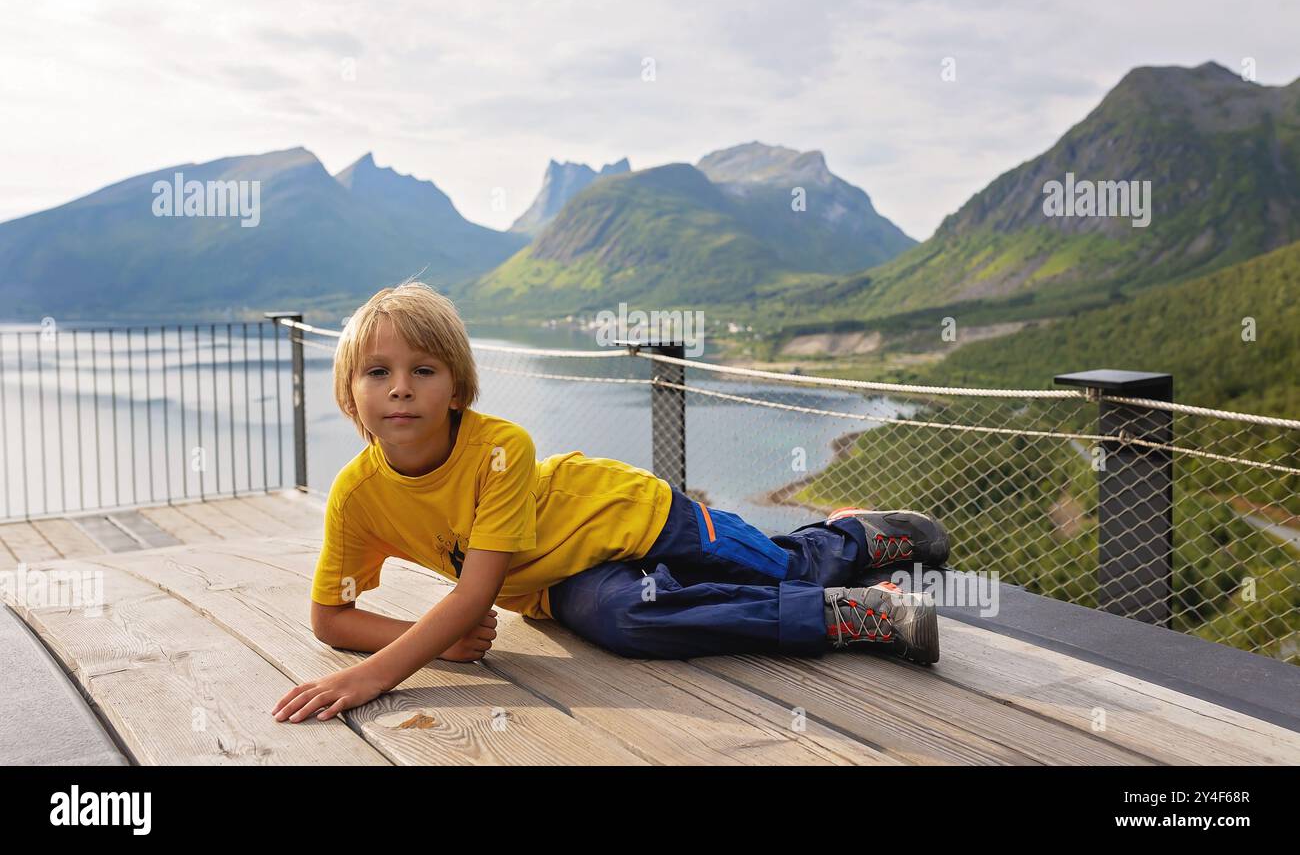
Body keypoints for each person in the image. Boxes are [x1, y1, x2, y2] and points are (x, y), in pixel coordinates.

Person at [272, 279, 950, 724]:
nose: (400, 388)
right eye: (377, 373)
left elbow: (473, 597)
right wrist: (437, 648)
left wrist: (375, 678)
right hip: (560, 584)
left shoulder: (500, 448)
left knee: (778, 568)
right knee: (630, 621)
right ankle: (852, 615)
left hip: (634, 511)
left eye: (423, 370)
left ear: (456, 389)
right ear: (348, 395)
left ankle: (852, 539)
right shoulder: (357, 497)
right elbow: (330, 618)